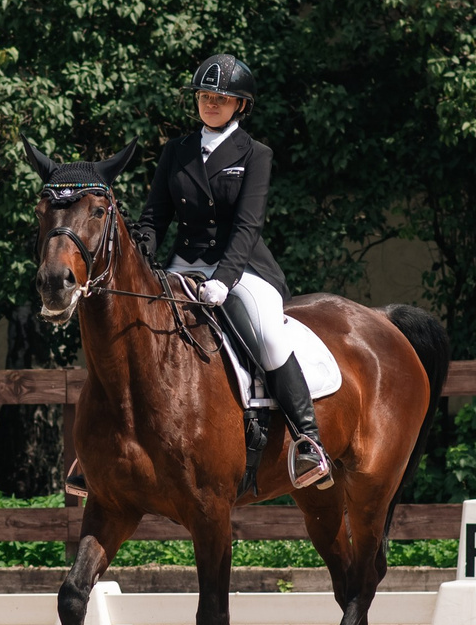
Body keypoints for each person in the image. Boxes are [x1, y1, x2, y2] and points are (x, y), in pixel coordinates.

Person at [64, 52, 332, 498]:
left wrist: (225, 279)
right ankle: (93, 449)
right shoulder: (178, 151)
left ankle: (308, 440)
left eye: (220, 98)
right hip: (182, 266)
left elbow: (248, 226)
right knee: (127, 329)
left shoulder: (255, 154)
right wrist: (140, 255)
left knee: (266, 335)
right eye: (205, 96)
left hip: (242, 268)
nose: (210, 104)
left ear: (240, 106)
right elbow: (153, 218)